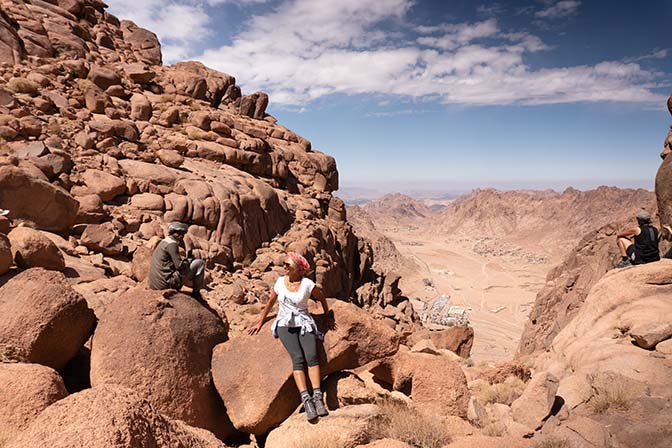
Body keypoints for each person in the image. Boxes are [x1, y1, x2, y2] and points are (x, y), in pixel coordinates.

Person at [248, 252, 335, 421]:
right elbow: (271, 302)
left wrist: (327, 316)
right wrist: (260, 321)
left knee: (312, 357)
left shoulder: (308, 284)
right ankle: (306, 399)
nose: (284, 267)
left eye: (288, 265)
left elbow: (322, 298)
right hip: (284, 324)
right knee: (298, 358)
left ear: (298, 269)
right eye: (284, 264)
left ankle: (317, 397)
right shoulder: (280, 282)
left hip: (303, 322)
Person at [148, 221, 205, 299]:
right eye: (178, 233)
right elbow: (179, 266)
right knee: (199, 263)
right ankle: (196, 293)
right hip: (166, 284)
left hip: (155, 284)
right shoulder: (172, 244)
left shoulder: (165, 241)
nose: (181, 236)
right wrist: (189, 260)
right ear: (172, 232)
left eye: (183, 234)